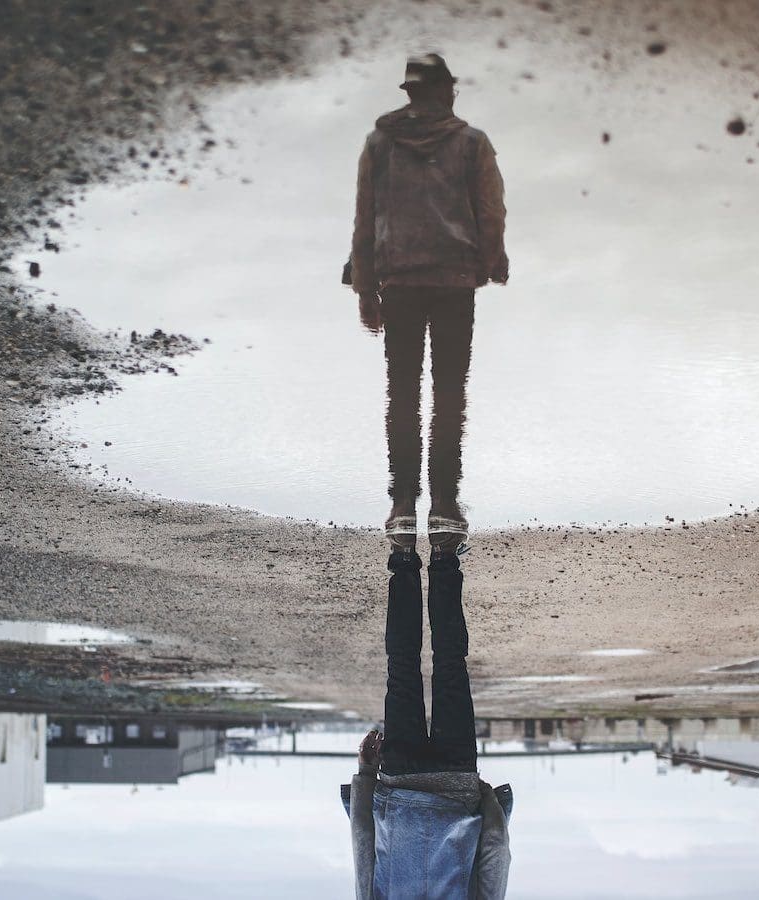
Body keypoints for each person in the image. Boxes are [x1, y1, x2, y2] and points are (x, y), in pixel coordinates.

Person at [346, 52, 509, 552]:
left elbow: (365, 218)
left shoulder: (378, 144)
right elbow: (490, 208)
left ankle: (401, 507)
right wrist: (493, 260)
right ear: (446, 91)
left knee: (402, 391)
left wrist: (365, 287)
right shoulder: (471, 143)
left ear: (411, 94)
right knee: (449, 391)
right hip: (454, 281)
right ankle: (444, 506)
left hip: (398, 281)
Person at [341, 543, 512, 899]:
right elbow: (362, 843)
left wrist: (484, 798)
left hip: (456, 781)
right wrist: (366, 773)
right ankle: (403, 559)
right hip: (400, 784)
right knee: (401, 668)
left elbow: (495, 846)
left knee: (451, 665)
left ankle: (443, 558)